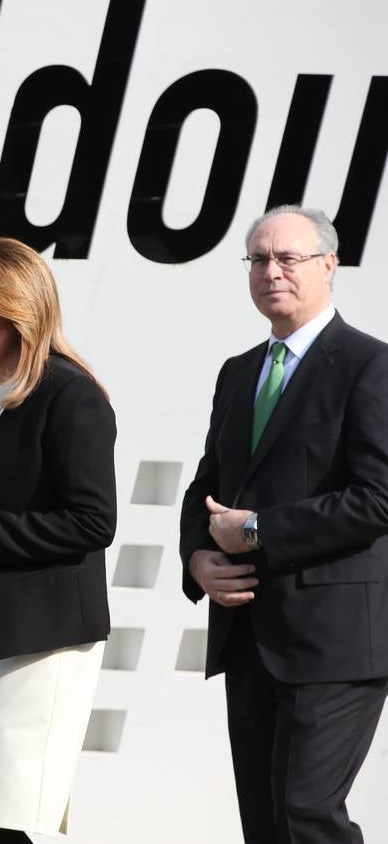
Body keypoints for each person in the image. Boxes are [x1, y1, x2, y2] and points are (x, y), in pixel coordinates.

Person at [179, 204, 388, 844]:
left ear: (329, 266)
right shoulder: (239, 372)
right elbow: (207, 488)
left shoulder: (369, 366)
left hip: (335, 641)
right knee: (267, 824)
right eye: (259, 260)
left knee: (306, 816)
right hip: (249, 633)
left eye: (288, 258)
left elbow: (378, 498)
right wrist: (197, 557)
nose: (272, 271)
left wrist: (259, 531)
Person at [0, 237, 117, 843]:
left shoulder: (71, 395)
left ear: (18, 306)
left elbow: (92, 523)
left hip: (39, 649)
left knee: (10, 823)